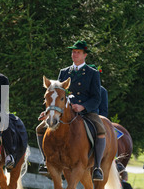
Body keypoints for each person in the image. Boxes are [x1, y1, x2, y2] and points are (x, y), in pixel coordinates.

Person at [36, 40, 105, 181]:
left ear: (85, 55)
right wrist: (49, 110)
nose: (75, 54)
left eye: (78, 52)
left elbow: (96, 98)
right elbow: (56, 94)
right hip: (64, 111)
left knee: (100, 130)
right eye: (73, 52)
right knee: (40, 128)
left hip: (86, 111)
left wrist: (83, 106)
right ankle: (45, 161)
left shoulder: (93, 73)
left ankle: (97, 167)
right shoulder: (64, 72)